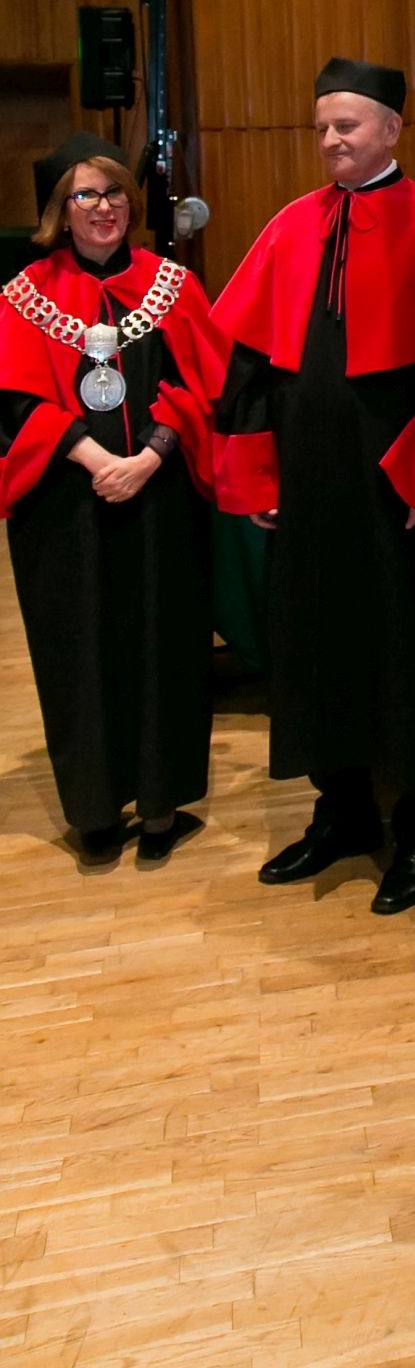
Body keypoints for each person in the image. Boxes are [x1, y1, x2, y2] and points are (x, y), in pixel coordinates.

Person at [212, 58, 415, 915]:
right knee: (312, 642)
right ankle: (342, 810)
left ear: (391, 129)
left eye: (346, 125)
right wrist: (259, 472)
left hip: (400, 486)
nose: (330, 140)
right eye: (321, 127)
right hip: (310, 487)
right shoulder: (291, 226)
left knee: (410, 647)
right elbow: (250, 366)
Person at [0, 134, 226, 863]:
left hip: (162, 500)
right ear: (59, 211)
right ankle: (95, 812)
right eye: (86, 195)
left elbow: (204, 386)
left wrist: (149, 457)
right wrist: (98, 459)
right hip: (63, 505)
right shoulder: (23, 295)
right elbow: (12, 403)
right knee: (80, 650)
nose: (105, 207)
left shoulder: (174, 286)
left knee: (166, 643)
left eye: (116, 193)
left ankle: (160, 808)